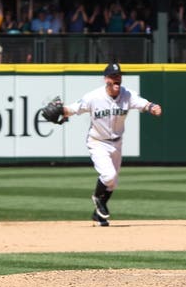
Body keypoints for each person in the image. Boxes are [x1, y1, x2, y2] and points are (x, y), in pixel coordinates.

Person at [45, 63, 163, 227]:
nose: (117, 79)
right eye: (113, 76)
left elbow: (142, 103)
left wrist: (152, 107)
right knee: (108, 176)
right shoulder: (94, 97)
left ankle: (97, 214)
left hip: (117, 143)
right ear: (106, 79)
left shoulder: (127, 95)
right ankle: (96, 197)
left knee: (113, 182)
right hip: (97, 142)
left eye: (119, 76)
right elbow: (73, 108)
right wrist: (61, 110)